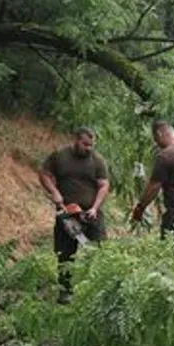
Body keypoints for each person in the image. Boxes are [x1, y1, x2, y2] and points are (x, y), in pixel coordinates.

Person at [39, 127, 110, 302]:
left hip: (91, 214)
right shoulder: (60, 156)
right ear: (76, 140)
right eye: (85, 144)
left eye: (92, 145)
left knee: (100, 250)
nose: (89, 148)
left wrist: (95, 208)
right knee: (64, 254)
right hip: (67, 213)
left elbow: (104, 185)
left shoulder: (97, 160)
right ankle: (65, 291)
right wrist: (54, 192)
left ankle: (99, 291)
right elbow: (44, 174)